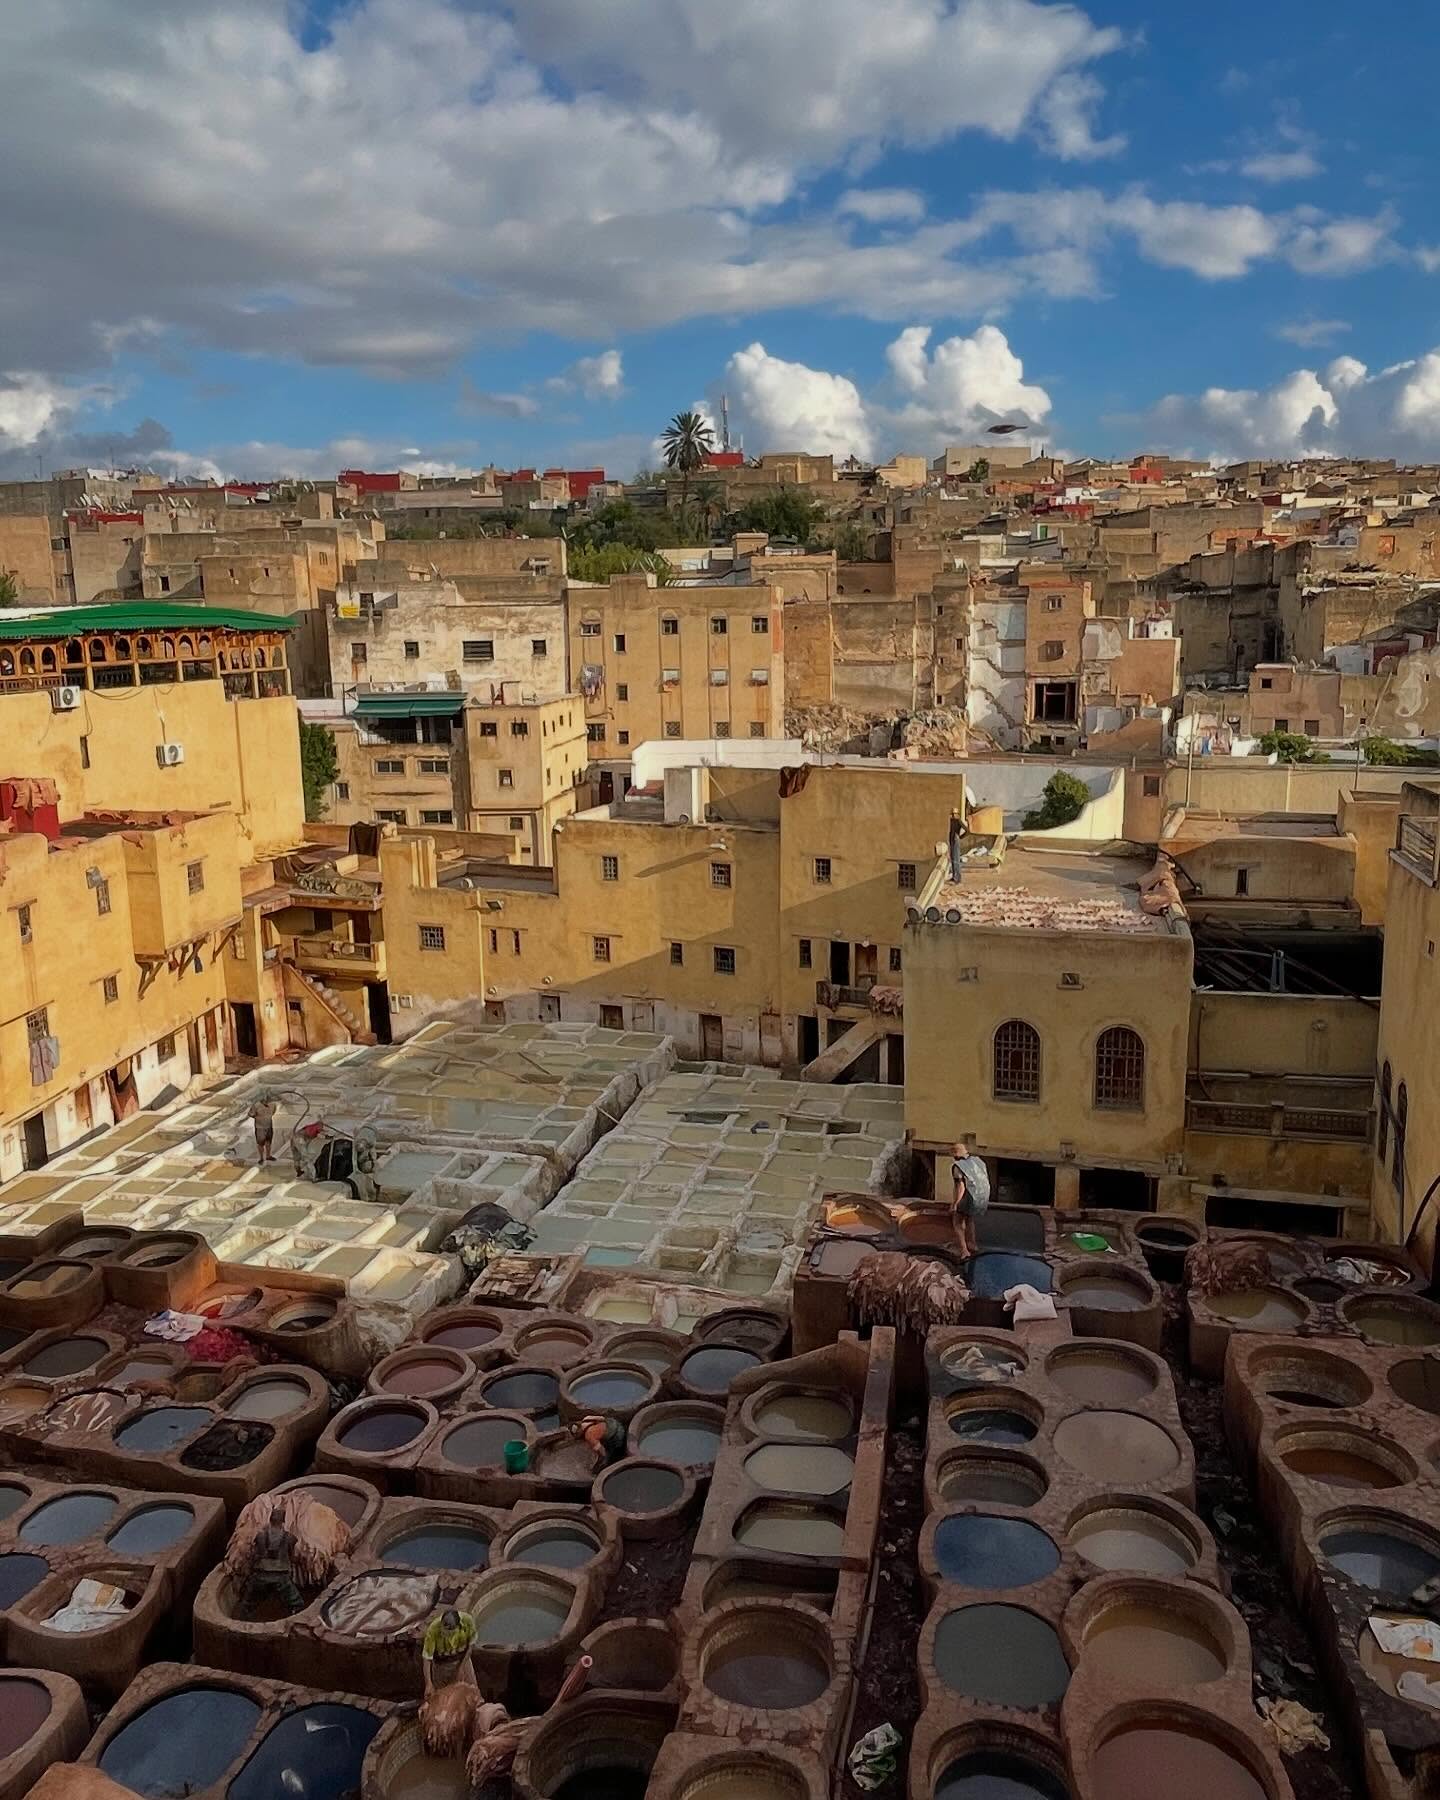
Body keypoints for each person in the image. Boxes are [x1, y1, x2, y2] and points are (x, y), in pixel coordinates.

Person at [950, 1140, 991, 1260]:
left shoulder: (958, 1166)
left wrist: (955, 1203)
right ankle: (973, 1244)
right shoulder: (978, 1161)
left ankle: (964, 1250)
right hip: (981, 1196)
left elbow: (960, 1187)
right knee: (970, 1218)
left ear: (955, 1153)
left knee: (957, 1223)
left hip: (969, 1196)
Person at [249, 1095, 276, 1165]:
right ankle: (261, 1158)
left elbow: (273, 1112)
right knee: (260, 1143)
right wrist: (259, 1118)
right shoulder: (256, 1105)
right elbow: (251, 1114)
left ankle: (268, 1156)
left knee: (268, 1142)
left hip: (269, 1126)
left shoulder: (273, 1104)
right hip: (260, 1127)